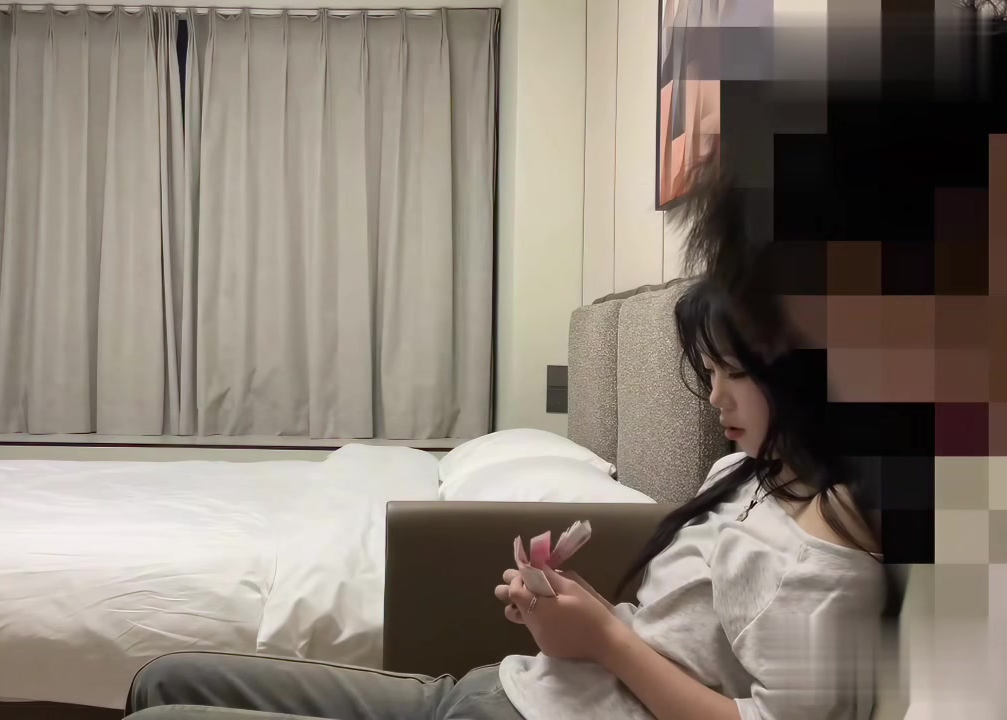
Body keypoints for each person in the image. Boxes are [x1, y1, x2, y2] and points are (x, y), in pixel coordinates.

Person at [122, 165, 892, 720]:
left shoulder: (823, 555)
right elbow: (673, 635)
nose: (716, 397)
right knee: (162, 678)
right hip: (499, 690)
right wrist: (577, 612)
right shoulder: (742, 470)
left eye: (735, 373)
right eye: (711, 372)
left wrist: (603, 640)